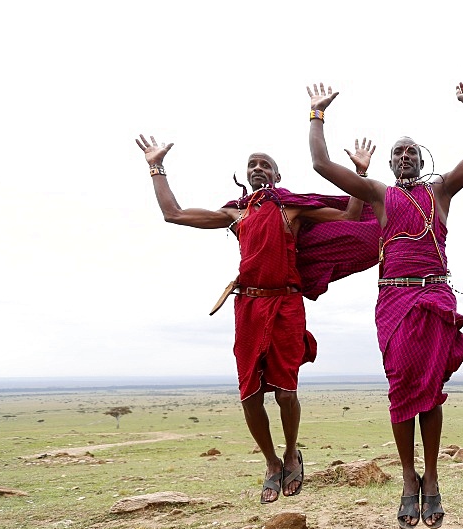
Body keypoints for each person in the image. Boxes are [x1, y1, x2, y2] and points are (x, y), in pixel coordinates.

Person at [135, 135, 377, 504]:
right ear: (246, 175)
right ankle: (270, 463)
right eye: (253, 164)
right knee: (249, 394)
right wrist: (156, 166)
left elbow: (351, 216)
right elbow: (175, 214)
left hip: (286, 304)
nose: (258, 168)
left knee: (286, 391)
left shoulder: (292, 208)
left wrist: (359, 174)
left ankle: (292, 452)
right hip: (248, 307)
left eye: (265, 164)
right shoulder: (237, 212)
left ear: (277, 175)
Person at [307, 83, 463, 529]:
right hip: (394, 299)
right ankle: (409, 478)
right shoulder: (379, 195)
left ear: (422, 160)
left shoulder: (440, 192)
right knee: (404, 389)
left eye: (411, 152)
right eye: (398, 153)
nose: (405, 157)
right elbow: (320, 164)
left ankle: (433, 479)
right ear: (389, 164)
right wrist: (316, 115)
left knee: (431, 391)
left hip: (435, 295)